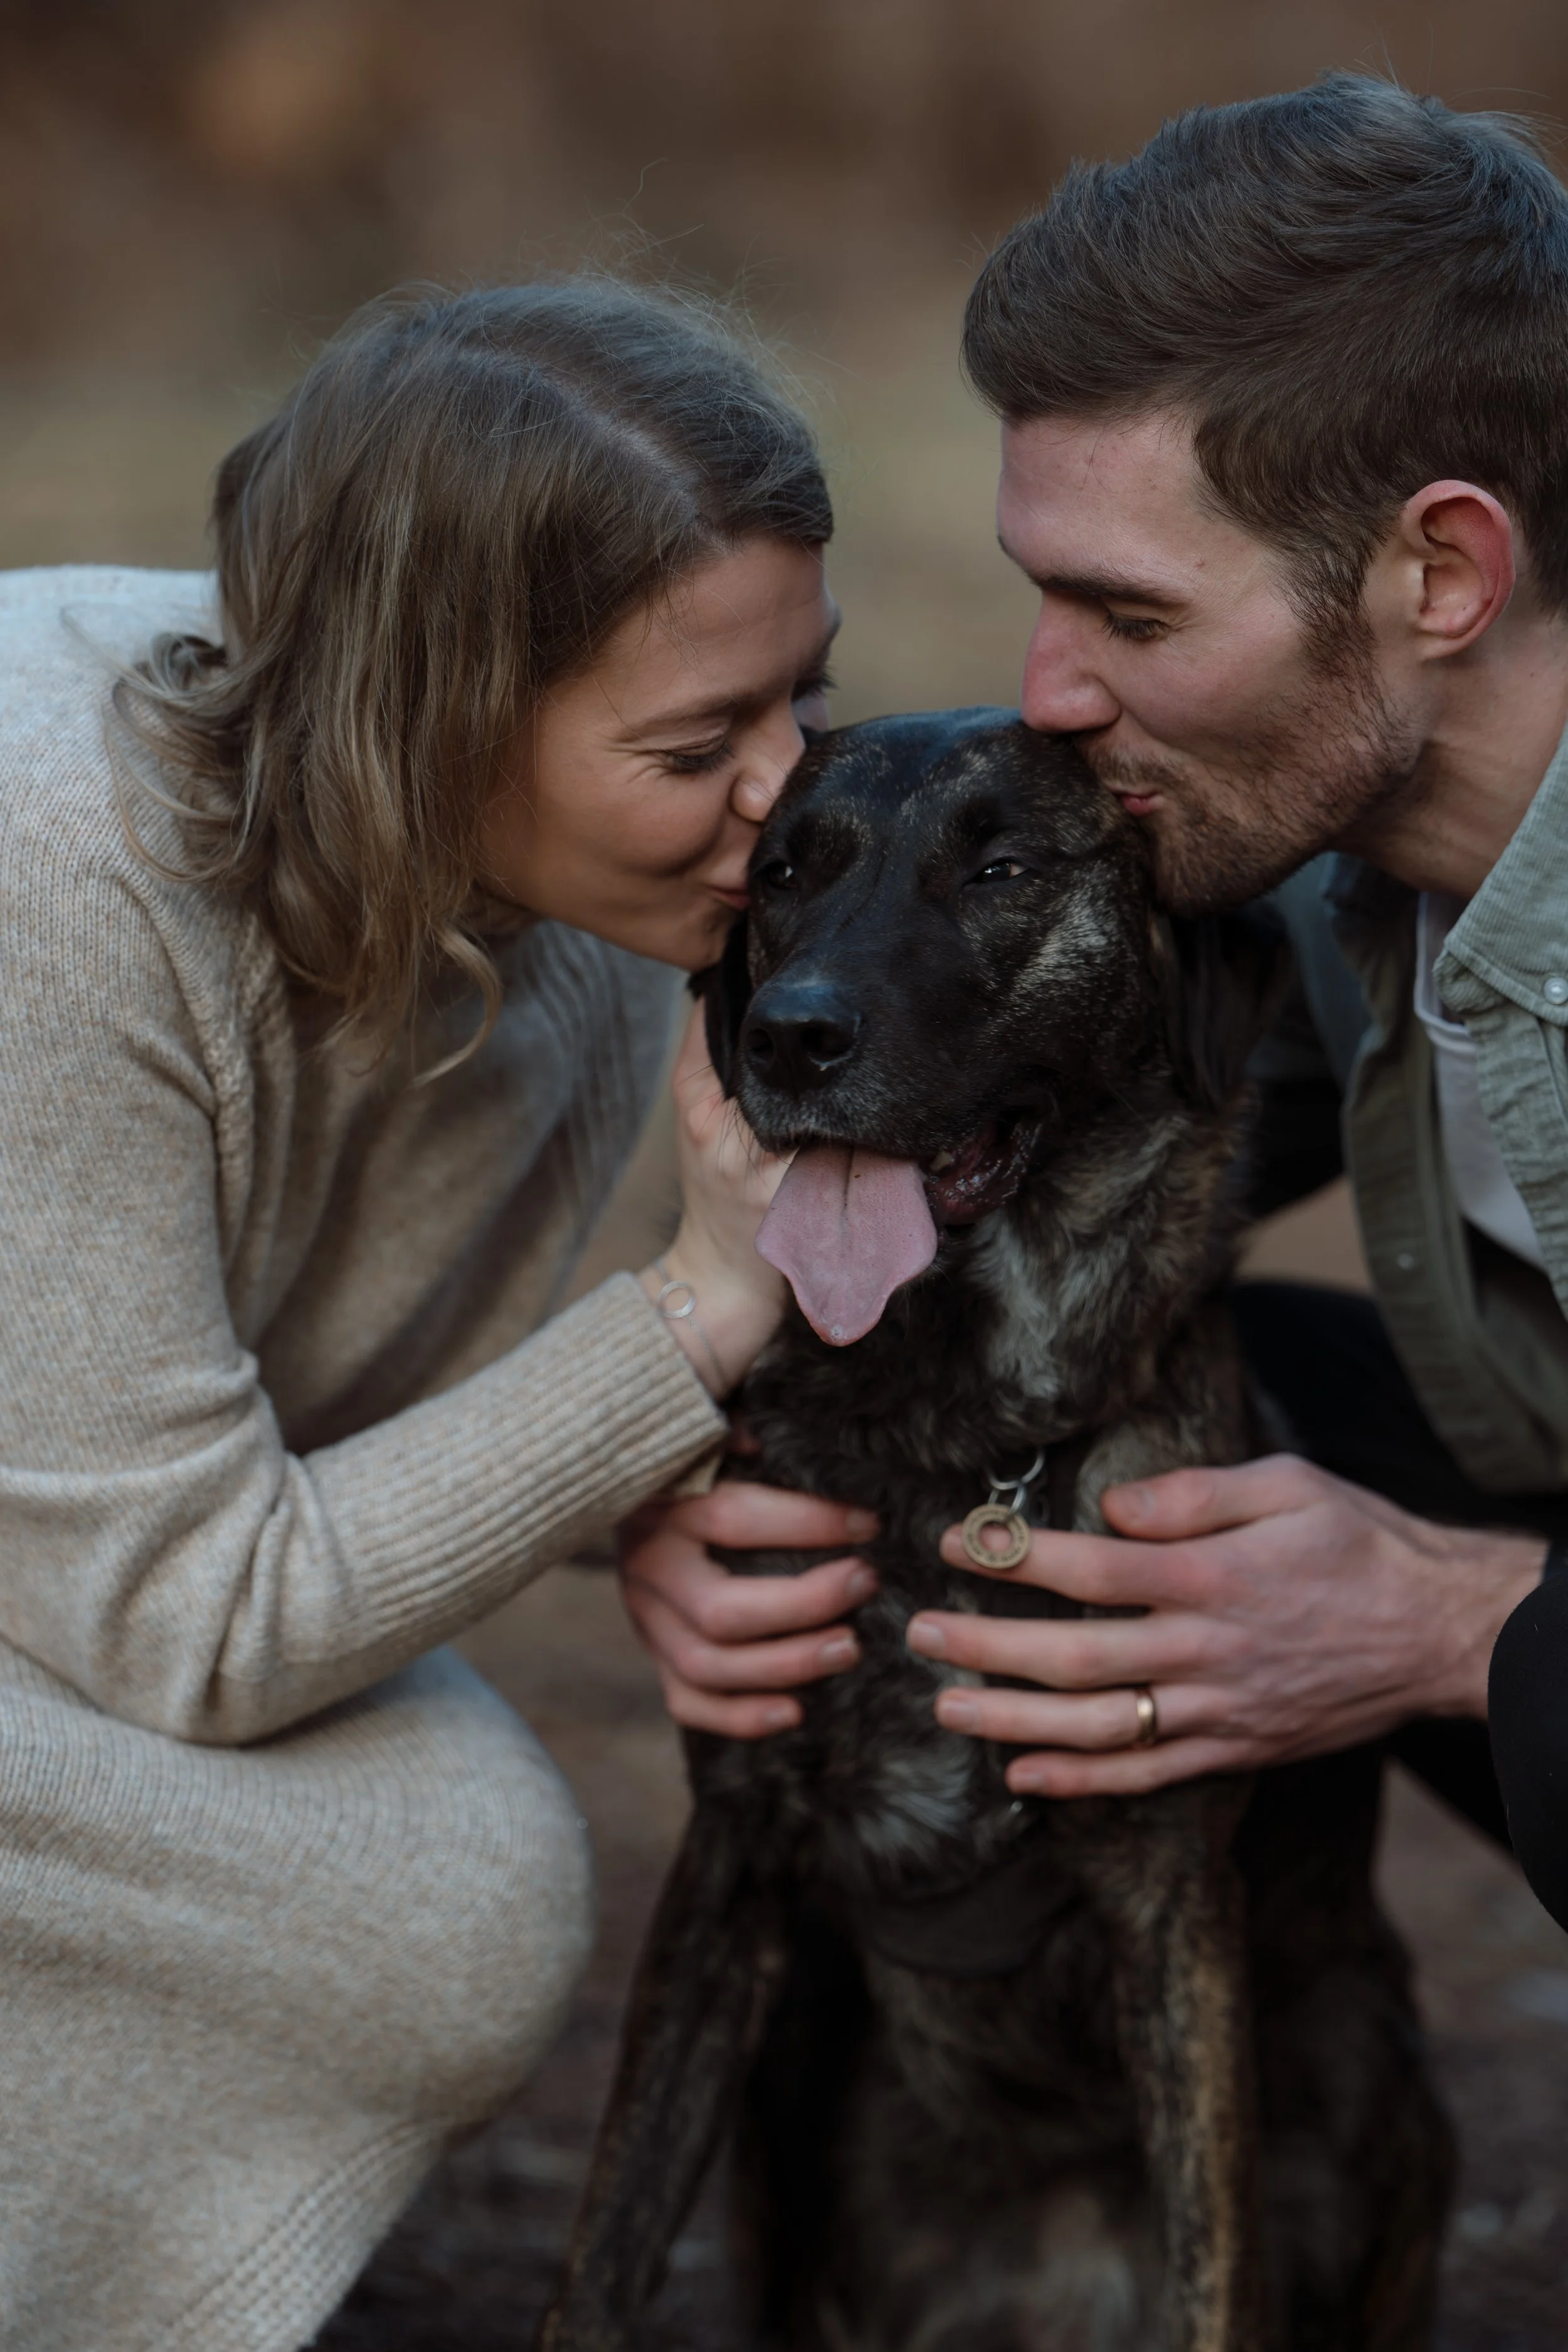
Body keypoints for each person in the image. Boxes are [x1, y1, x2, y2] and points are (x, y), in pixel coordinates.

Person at [0, 277, 854, 2352]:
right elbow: (187, 1617)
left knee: (447, 1876)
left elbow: (279, 1343)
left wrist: (608, 1489)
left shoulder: (582, 895)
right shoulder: (55, 881)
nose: (791, 795)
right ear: (435, 714)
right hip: (113, 1587)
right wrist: (690, 1327)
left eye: (796, 702)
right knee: (426, 1887)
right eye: (693, 745)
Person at [619, 76, 1568, 1936]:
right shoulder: (1317, 883)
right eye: (1036, 599)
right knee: (1240, 1377)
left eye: (1128, 619)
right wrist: (654, 1497)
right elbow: (978, 1165)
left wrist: (1453, 1623)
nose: (1044, 695)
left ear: (1439, 572)